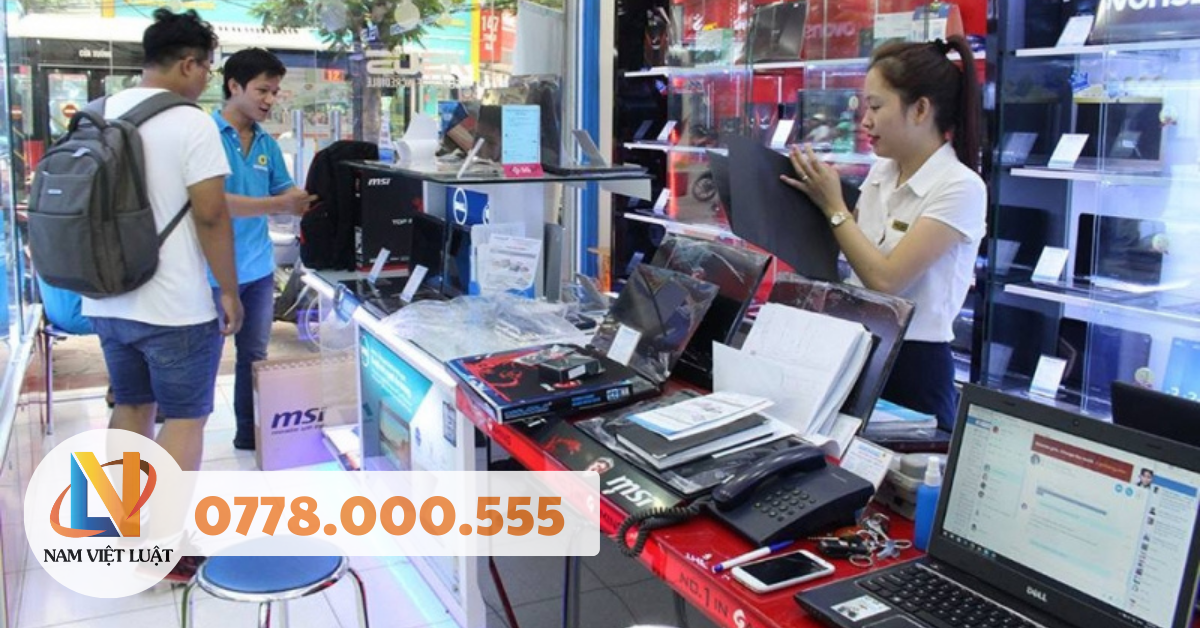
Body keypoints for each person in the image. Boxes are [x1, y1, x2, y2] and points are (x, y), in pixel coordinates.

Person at [782, 35, 984, 431]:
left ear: (920, 109)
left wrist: (834, 207)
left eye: (875, 107)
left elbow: (886, 280)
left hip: (914, 368)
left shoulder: (960, 187)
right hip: (855, 347)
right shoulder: (883, 172)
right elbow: (853, 250)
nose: (865, 121)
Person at [82, 8, 242, 471]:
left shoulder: (97, 113)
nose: (206, 78)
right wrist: (229, 291)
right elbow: (211, 215)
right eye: (207, 67)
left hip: (107, 297)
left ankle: (126, 511)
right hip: (174, 307)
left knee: (131, 407)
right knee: (185, 419)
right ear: (188, 64)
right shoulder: (191, 122)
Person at [213, 48, 317, 450]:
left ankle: (249, 434)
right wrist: (277, 204)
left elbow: (283, 191)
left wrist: (304, 199)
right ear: (234, 86)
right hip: (208, 272)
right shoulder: (205, 137)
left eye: (274, 92)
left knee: (254, 356)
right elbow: (212, 204)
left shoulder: (266, 144)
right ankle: (184, 437)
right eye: (262, 90)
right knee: (201, 361)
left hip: (257, 270)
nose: (270, 100)